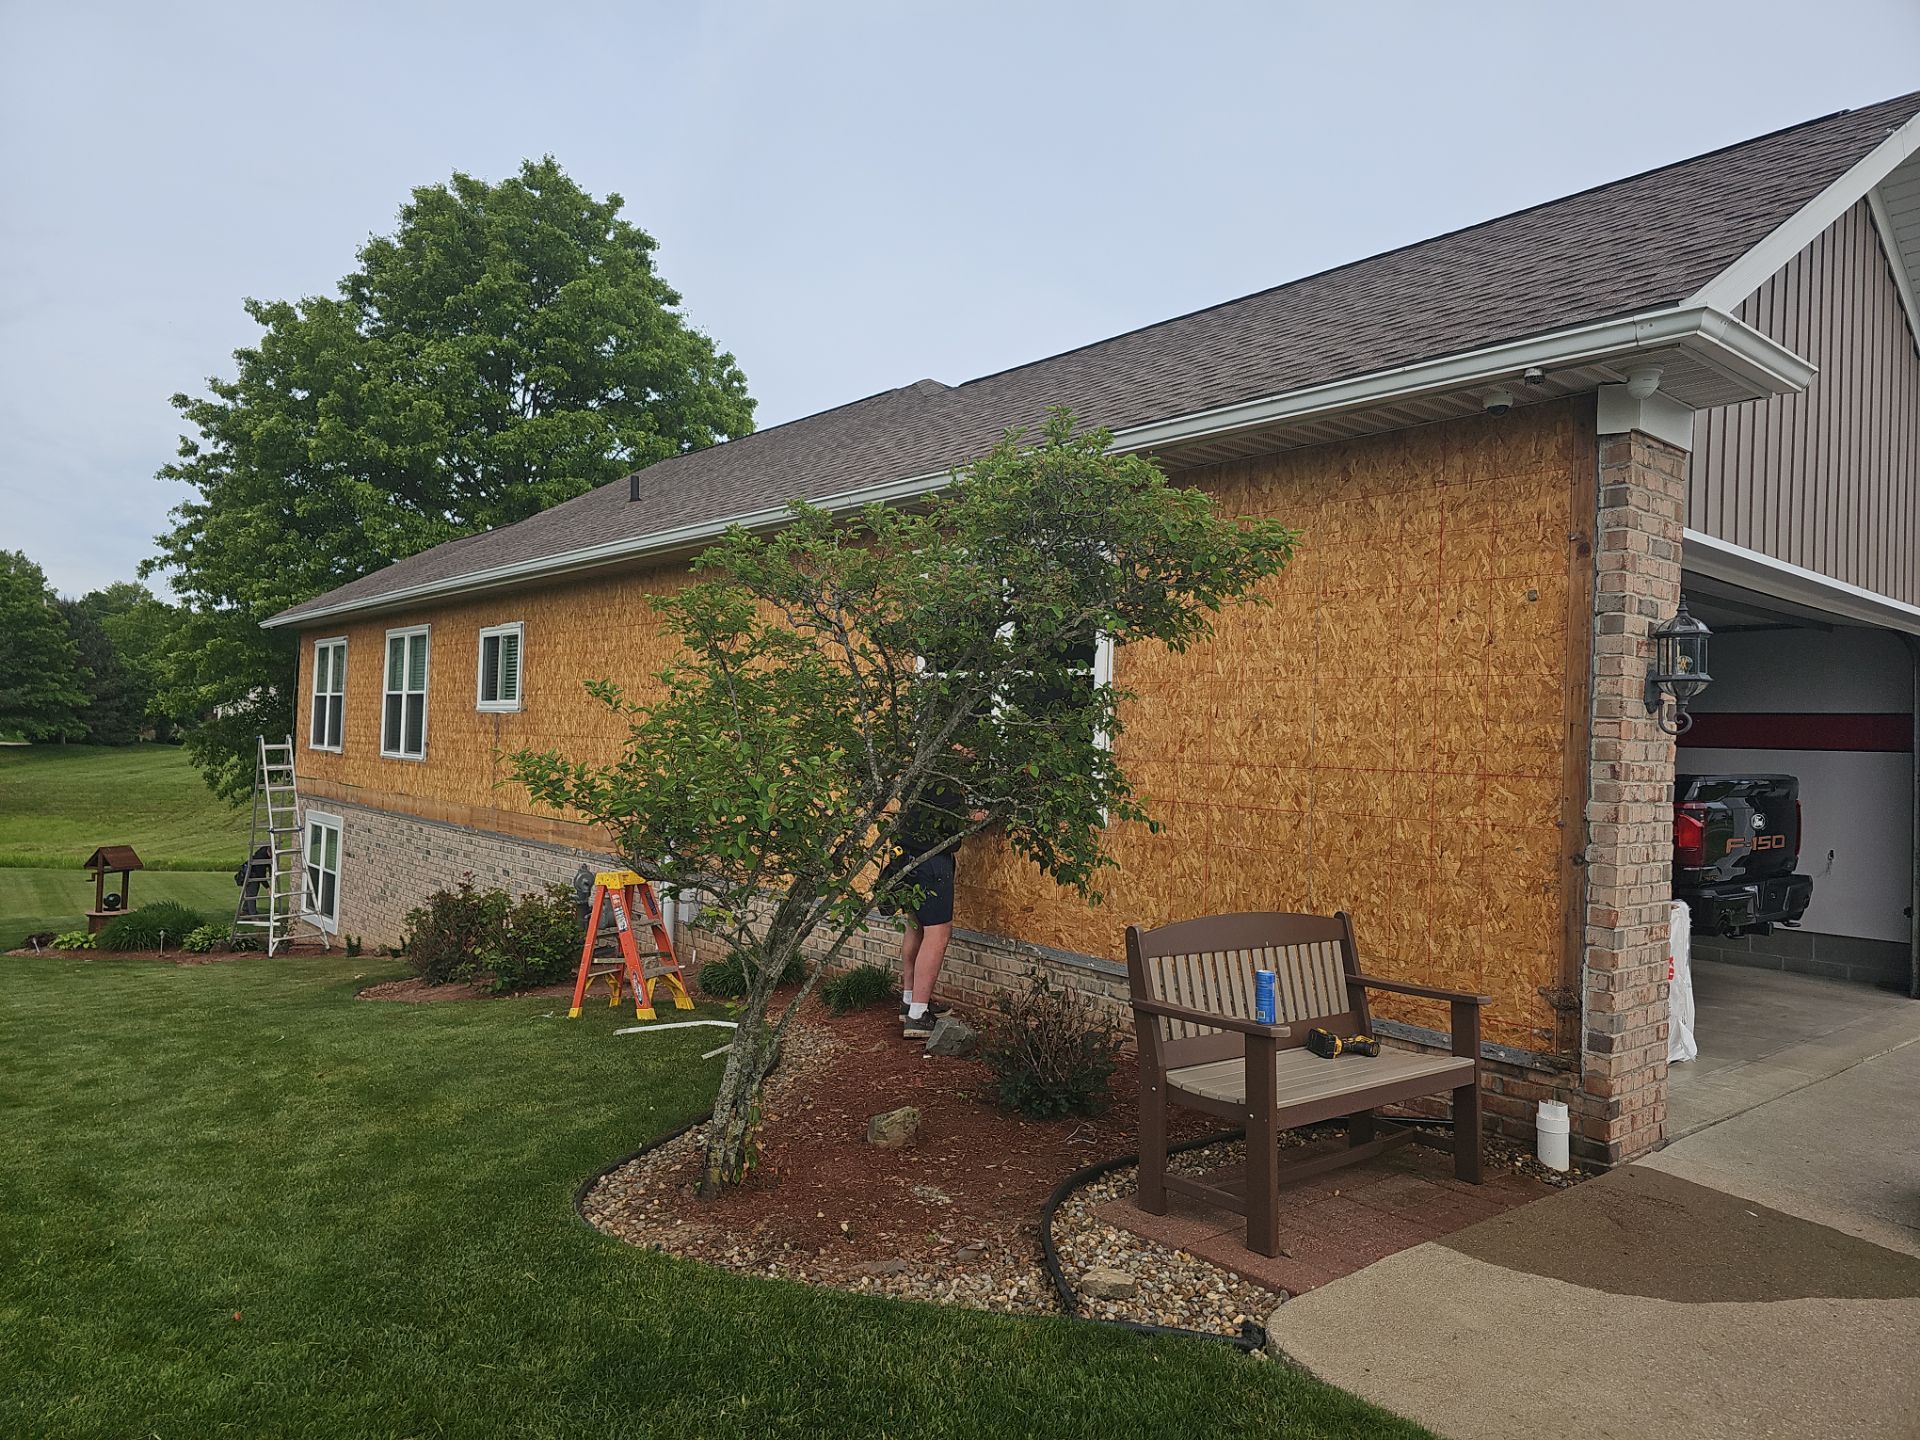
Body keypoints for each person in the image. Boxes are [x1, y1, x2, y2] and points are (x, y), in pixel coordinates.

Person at [886, 778, 970, 1040]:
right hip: (932, 861)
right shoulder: (946, 781)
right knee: (937, 934)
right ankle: (918, 1015)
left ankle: (910, 1001)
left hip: (908, 856)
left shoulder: (922, 770)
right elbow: (951, 829)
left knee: (915, 926)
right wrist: (970, 817)